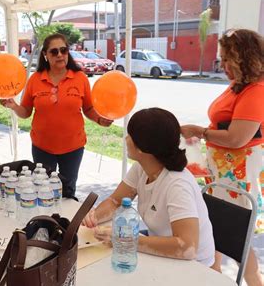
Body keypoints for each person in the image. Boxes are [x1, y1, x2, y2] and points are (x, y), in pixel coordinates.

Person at [181, 28, 263, 286]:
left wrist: (200, 131)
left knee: (239, 236)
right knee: (216, 225)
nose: (224, 66)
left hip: (239, 176)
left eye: (229, 60)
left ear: (247, 58)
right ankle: (214, 276)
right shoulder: (239, 85)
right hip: (223, 172)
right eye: (222, 60)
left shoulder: (256, 91)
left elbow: (238, 138)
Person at [83, 108, 216, 267]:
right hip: (165, 255)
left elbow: (187, 247)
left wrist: (126, 240)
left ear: (142, 148)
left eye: (130, 135)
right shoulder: (142, 168)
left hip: (195, 267)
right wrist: (94, 217)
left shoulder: (177, 185)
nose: (126, 138)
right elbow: (115, 201)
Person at [0, 33, 112, 198]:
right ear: (45, 55)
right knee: (43, 190)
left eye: (63, 50)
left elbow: (88, 108)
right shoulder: (35, 80)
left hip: (73, 148)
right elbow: (25, 112)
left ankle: (65, 223)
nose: (60, 55)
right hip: (42, 148)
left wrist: (100, 119)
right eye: (54, 52)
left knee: (68, 190)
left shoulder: (80, 78)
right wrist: (14, 106)